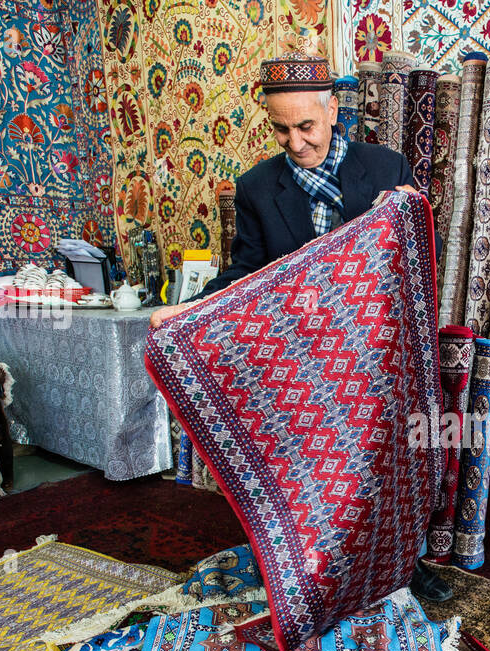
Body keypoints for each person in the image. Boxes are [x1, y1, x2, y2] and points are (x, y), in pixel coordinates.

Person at [151, 53, 452, 603]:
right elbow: (247, 271)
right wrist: (188, 311)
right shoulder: (257, 187)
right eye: (281, 129)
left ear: (334, 109)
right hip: (304, 360)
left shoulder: (385, 169)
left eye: (306, 126)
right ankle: (318, 577)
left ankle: (405, 568)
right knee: (315, 481)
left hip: (377, 355)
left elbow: (415, 253)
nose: (295, 143)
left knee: (389, 469)